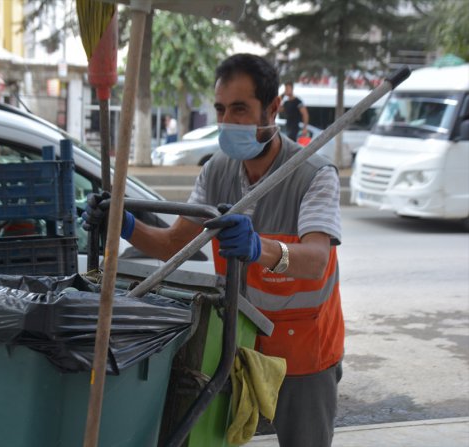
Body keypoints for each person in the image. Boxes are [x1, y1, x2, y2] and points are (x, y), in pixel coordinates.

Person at [83, 53, 344, 447]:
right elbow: (174, 244)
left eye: (240, 109)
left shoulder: (313, 174)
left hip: (303, 349)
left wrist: (259, 248)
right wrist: (123, 224)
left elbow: (316, 262)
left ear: (273, 108)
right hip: (237, 344)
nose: (227, 121)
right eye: (221, 109)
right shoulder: (216, 170)